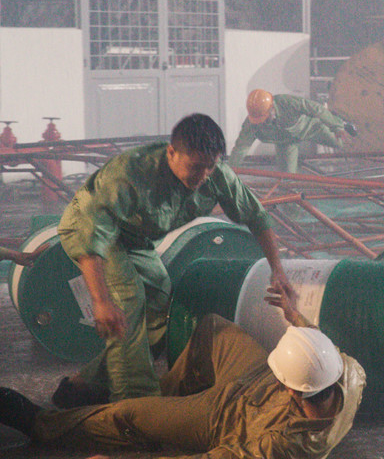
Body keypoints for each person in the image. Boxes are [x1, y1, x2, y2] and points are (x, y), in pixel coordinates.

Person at [55, 113, 295, 407]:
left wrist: (277, 270)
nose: (203, 175)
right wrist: (101, 301)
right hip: (87, 231)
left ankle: (85, 384)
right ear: (171, 152)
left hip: (134, 239)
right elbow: (92, 235)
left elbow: (256, 216)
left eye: (209, 166)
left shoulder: (215, 174)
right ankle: (135, 406)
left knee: (159, 300)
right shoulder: (129, 173)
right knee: (128, 298)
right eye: (195, 167)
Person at [0, 287, 365, 459]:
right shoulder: (348, 371)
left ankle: (42, 424)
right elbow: (315, 347)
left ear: (291, 391)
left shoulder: (284, 446)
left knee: (128, 413)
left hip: (225, 417)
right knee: (212, 327)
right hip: (255, 378)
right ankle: (163, 400)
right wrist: (293, 313)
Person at [229, 90, 358, 174]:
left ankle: (342, 123)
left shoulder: (286, 102)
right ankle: (291, 206)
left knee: (340, 143)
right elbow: (241, 148)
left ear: (272, 108)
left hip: (310, 127)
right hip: (286, 143)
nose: (262, 122)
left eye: (264, 118)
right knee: (287, 179)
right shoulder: (251, 124)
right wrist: (229, 172)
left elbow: (315, 109)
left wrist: (337, 127)